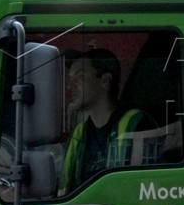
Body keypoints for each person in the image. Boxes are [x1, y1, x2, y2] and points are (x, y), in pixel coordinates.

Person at [62, 47, 149, 190]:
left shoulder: (137, 124)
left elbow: (144, 190)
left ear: (105, 80)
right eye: (70, 79)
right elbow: (64, 191)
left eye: (80, 76)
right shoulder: (78, 134)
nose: (69, 86)